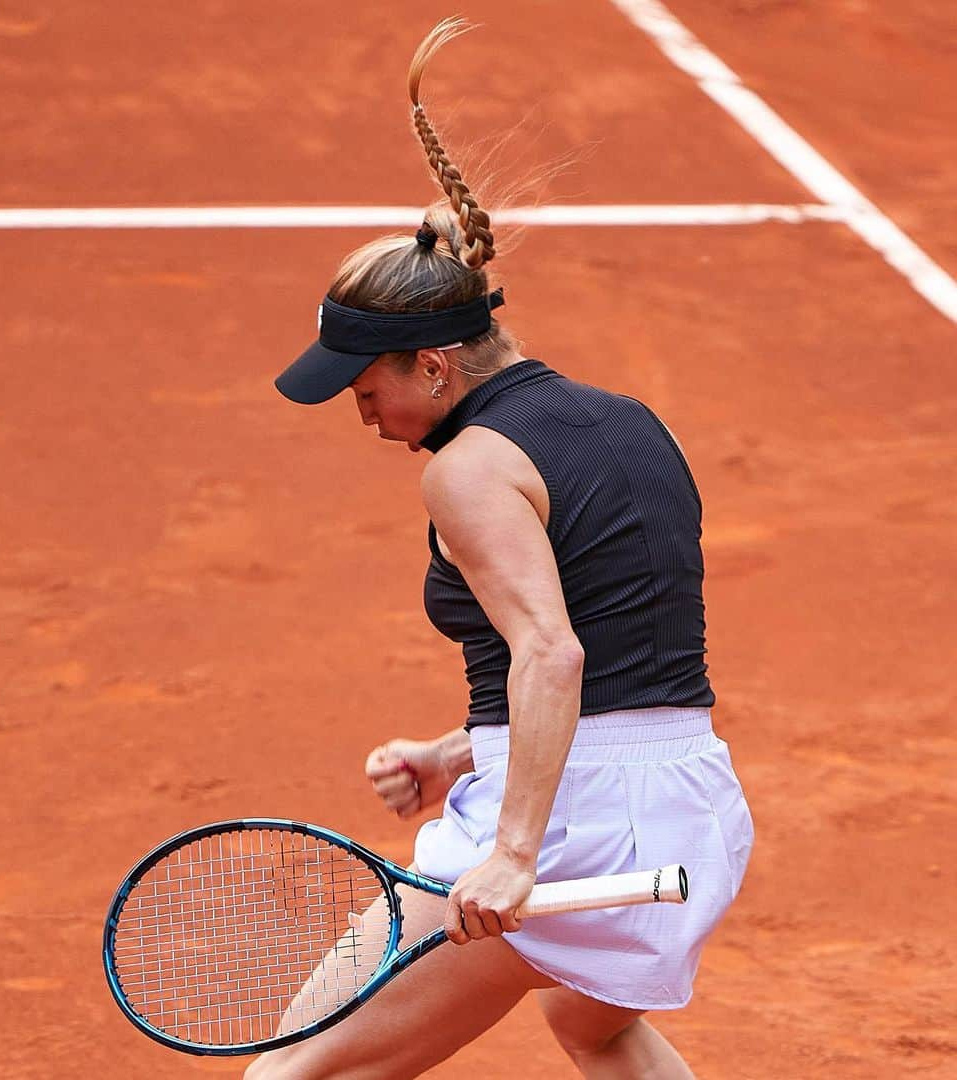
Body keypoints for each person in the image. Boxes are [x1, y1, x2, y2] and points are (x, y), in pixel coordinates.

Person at [251, 17, 753, 1080]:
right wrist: (457, 753)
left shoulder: (468, 465)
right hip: (687, 808)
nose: (363, 409)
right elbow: (626, 666)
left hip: (570, 828)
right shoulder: (630, 419)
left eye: (367, 384)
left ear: (433, 365)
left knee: (296, 1072)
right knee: (596, 1028)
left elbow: (554, 655)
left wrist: (514, 848)